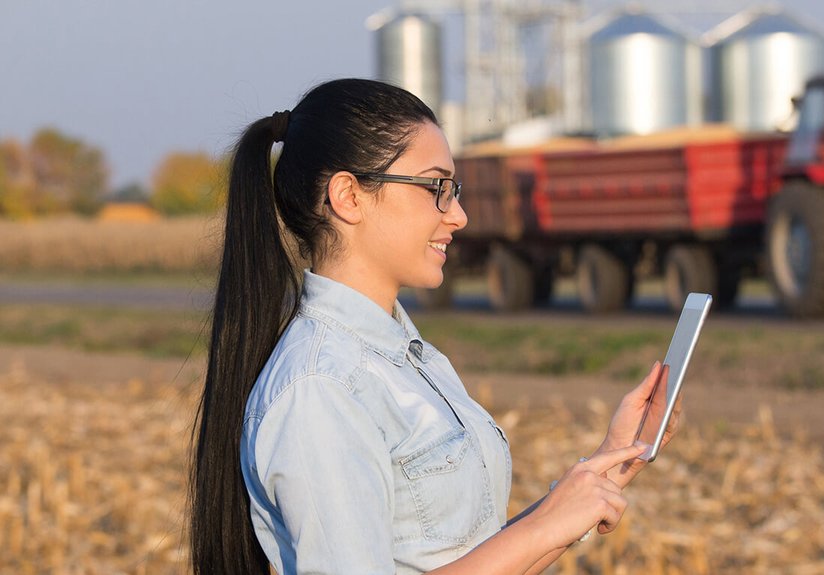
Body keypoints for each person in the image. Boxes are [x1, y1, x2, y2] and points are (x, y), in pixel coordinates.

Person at [188, 78, 679, 574]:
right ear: (349, 197)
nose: (459, 215)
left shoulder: (404, 357)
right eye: (436, 188)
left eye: (454, 190)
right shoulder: (321, 387)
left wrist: (612, 462)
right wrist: (545, 523)